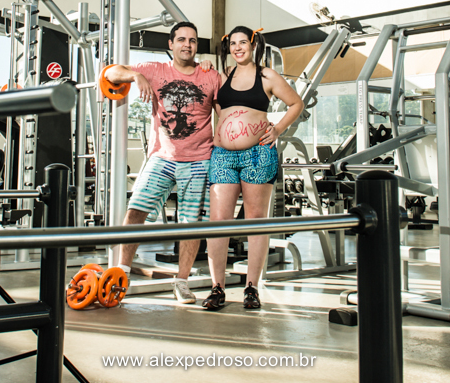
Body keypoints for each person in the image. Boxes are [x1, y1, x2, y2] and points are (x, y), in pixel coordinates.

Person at [106, 21, 220, 303]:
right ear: (171, 44)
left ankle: (181, 282)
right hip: (162, 157)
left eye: (192, 41)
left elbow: (226, 111)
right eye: (181, 39)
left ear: (197, 46)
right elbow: (111, 72)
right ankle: (122, 272)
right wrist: (135, 76)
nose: (187, 45)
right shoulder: (155, 70)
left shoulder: (211, 76)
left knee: (190, 223)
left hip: (198, 160)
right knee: (135, 211)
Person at [202, 26, 303, 311]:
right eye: (233, 44)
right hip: (223, 155)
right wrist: (206, 64)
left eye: (242, 42)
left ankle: (251, 287)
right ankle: (217, 288)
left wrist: (279, 129)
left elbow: (296, 103)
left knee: (256, 220)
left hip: (258, 154)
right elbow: (218, 108)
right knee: (218, 221)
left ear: (253, 44)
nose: (237, 48)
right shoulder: (222, 76)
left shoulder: (267, 75)